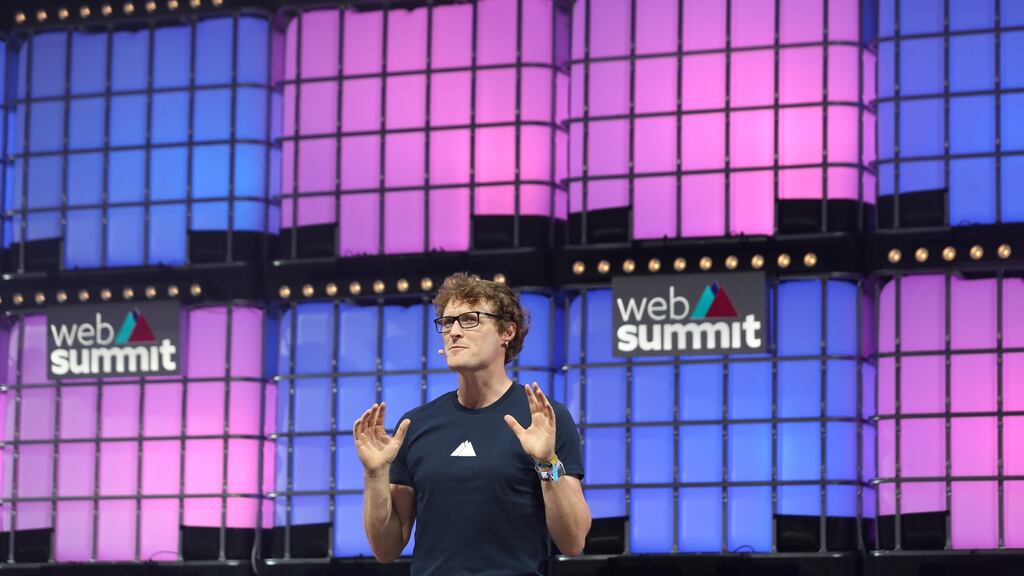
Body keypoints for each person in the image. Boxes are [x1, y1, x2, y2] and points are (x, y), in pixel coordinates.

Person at [353, 272, 591, 575]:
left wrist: (547, 462)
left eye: (470, 319)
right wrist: (375, 475)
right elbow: (386, 550)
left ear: (507, 331)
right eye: (448, 322)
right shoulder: (416, 424)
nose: (453, 331)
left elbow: (573, 542)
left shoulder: (543, 419)